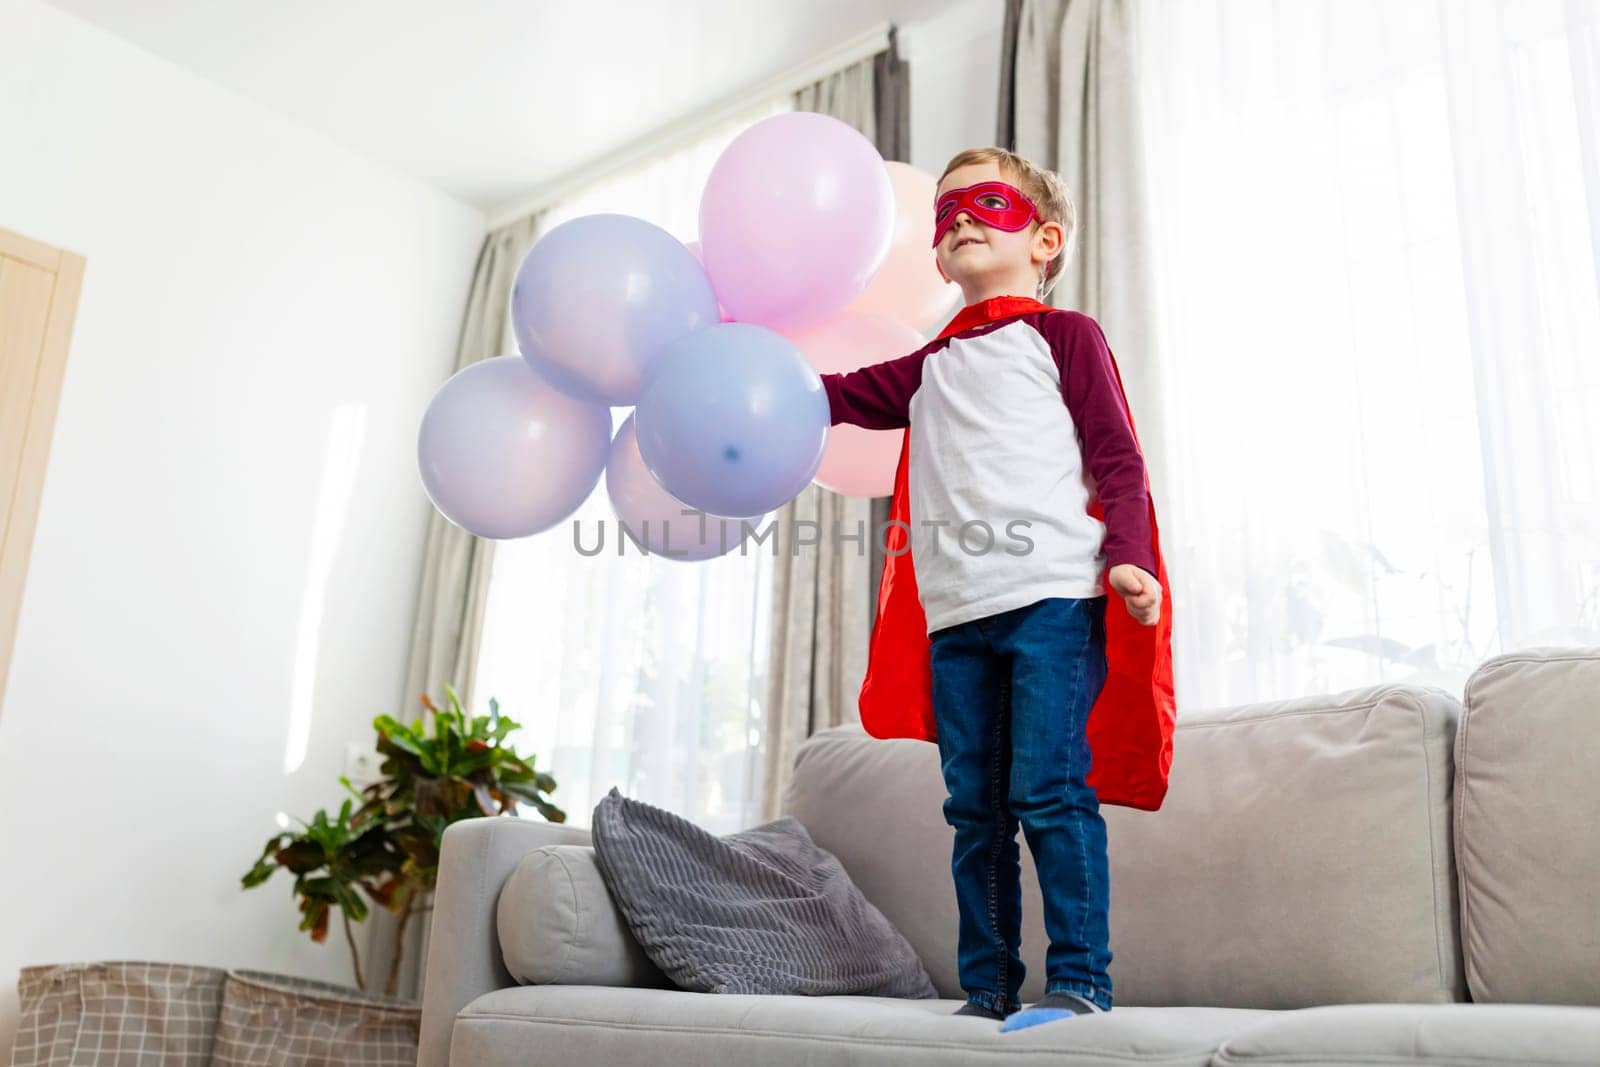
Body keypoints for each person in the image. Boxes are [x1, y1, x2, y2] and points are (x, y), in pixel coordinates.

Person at [817, 146, 1164, 1030]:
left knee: (1048, 787)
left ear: (1045, 238)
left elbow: (1117, 456)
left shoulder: (1064, 337)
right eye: (945, 213)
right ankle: (989, 991)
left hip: (1053, 595)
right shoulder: (929, 362)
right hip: (956, 616)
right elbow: (837, 396)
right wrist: (750, 382)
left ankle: (1081, 983)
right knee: (974, 808)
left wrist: (1129, 554)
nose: (960, 219)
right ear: (936, 255)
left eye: (986, 203)